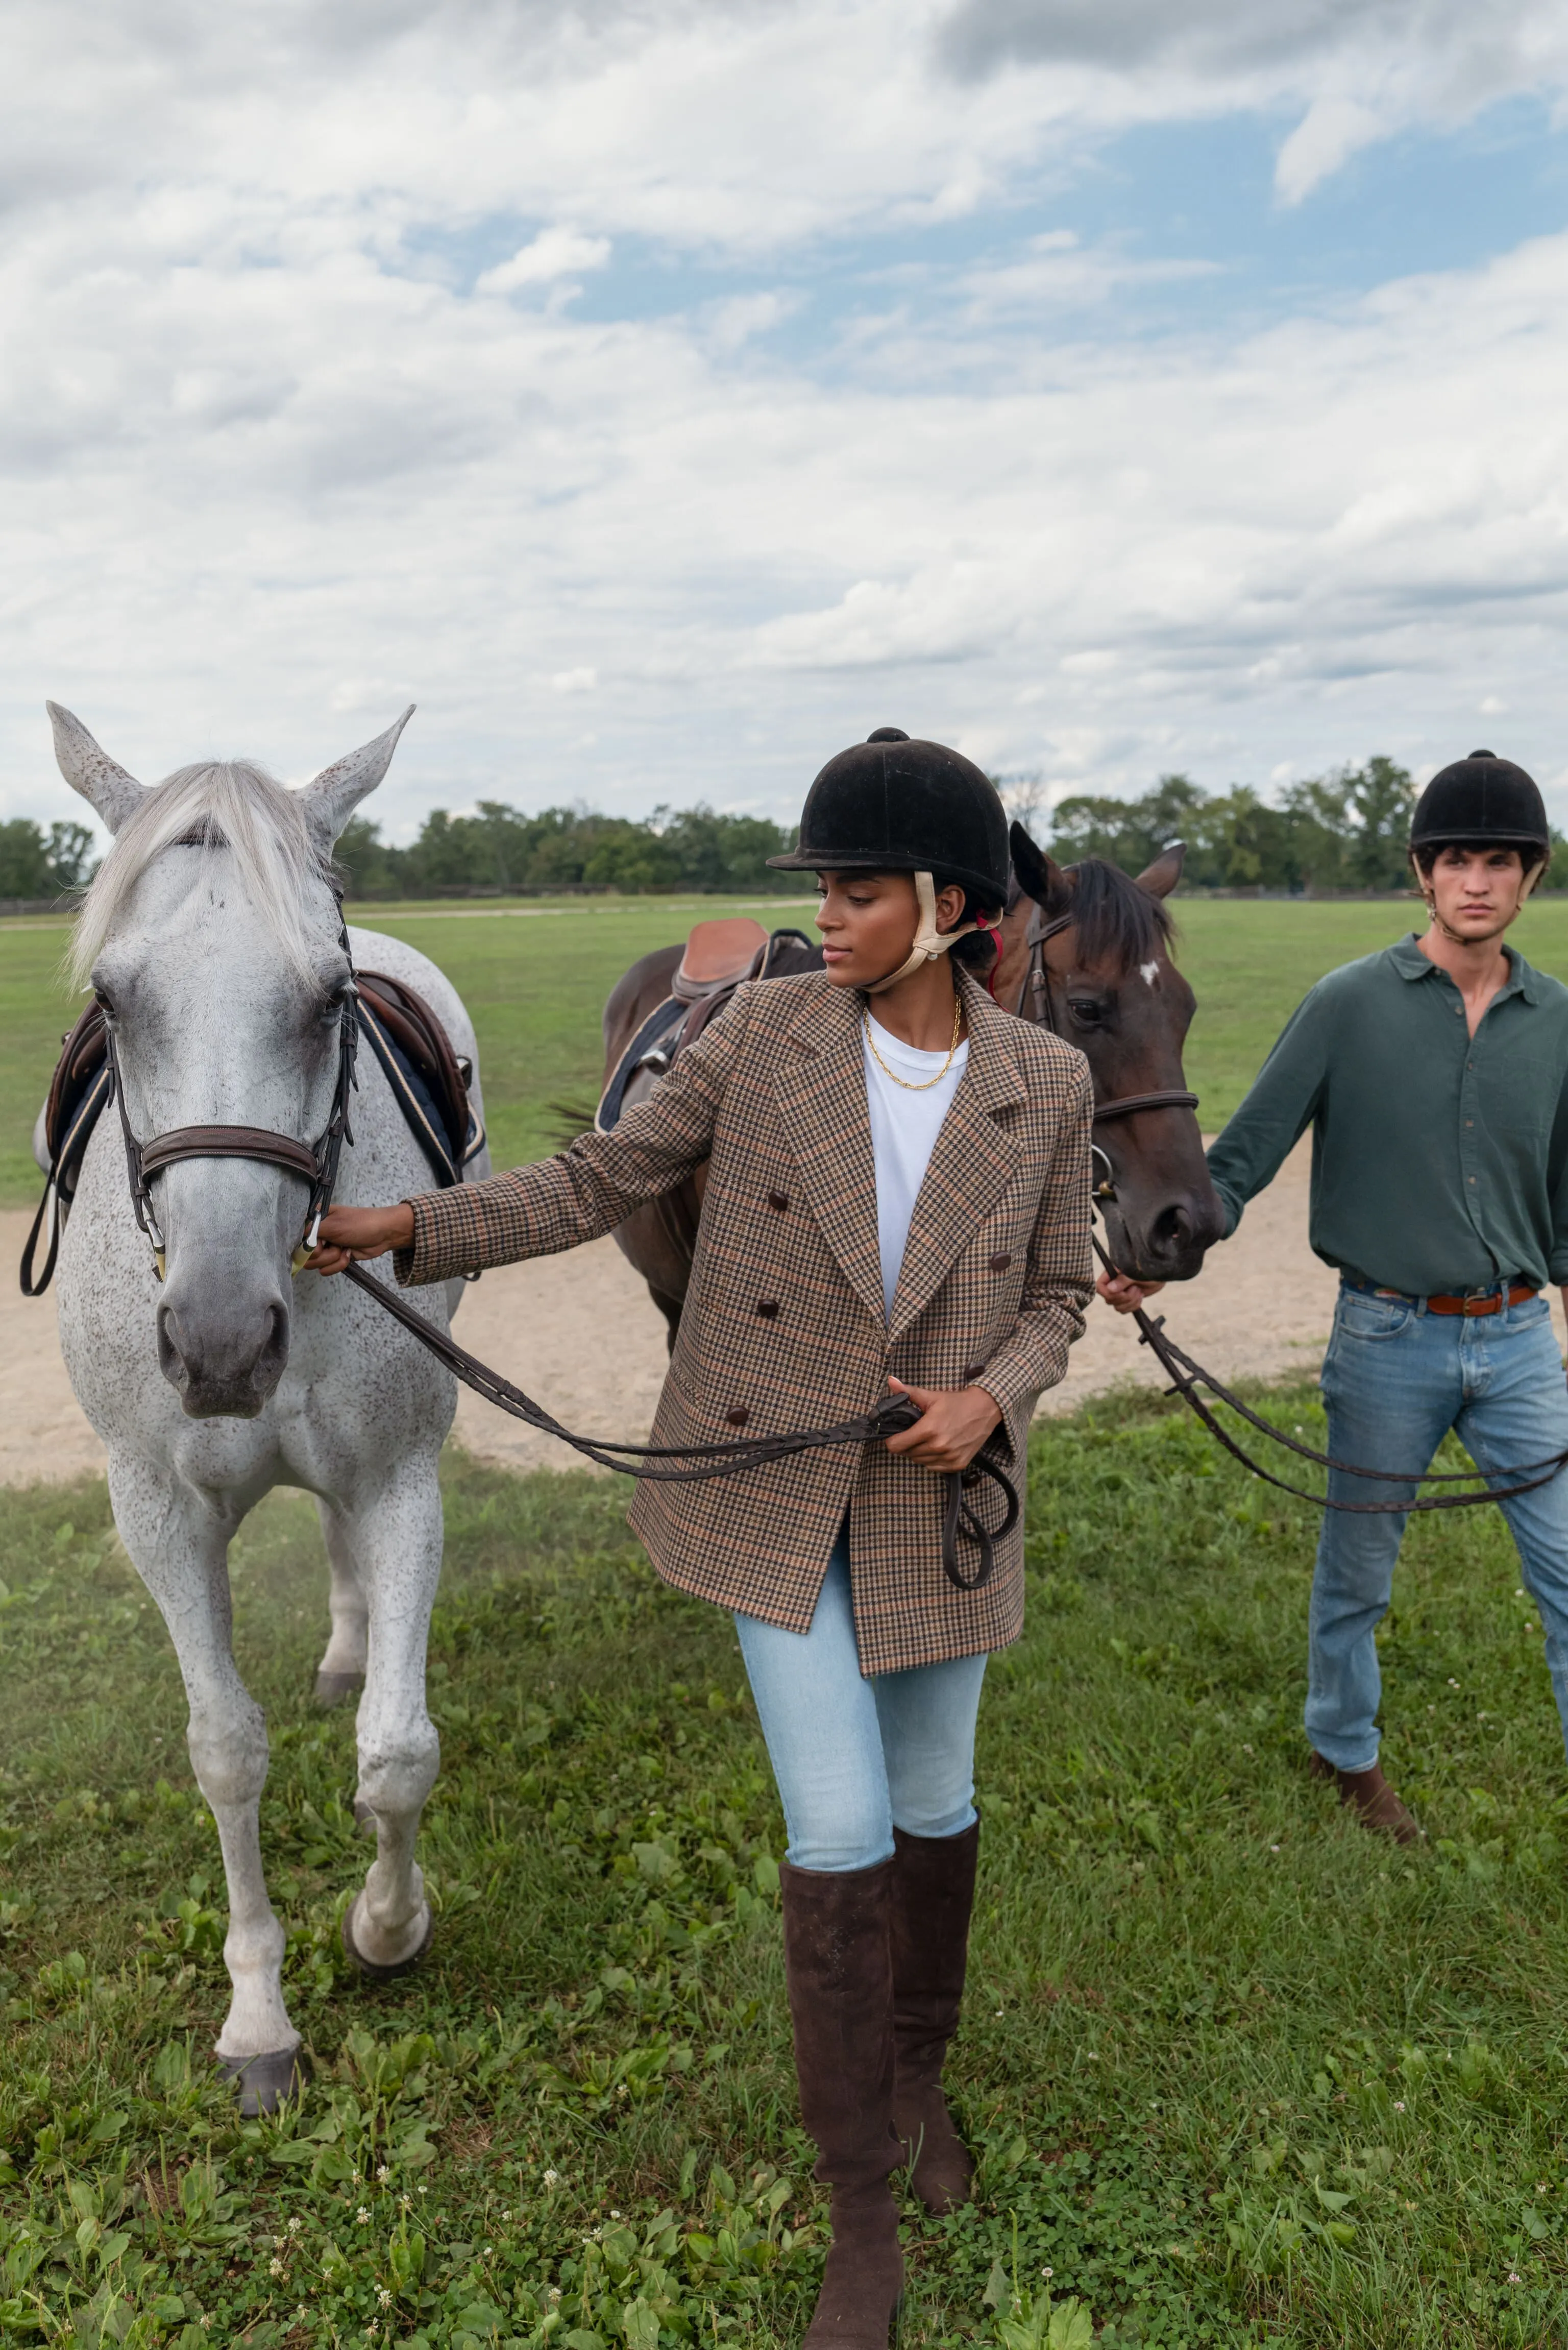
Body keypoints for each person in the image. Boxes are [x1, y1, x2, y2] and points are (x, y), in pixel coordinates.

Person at [308, 728, 1094, 2348]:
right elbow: (601, 1179)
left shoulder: (1047, 1082)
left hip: (937, 1505)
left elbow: (1062, 1294)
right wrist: (407, 1224)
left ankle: (921, 2081)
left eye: (861, 892)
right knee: (841, 1824)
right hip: (761, 1487)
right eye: (823, 889)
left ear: (949, 904)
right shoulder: (759, 1033)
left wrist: (990, 1398)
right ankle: (861, 2198)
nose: (833, 916)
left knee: (938, 1808)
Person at [1101, 751, 1568, 1843]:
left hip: (1517, 1343)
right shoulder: (1347, 1001)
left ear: (1529, 881)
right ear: (1422, 873)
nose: (1478, 882)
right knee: (1357, 1573)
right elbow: (1250, 1152)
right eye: (1458, 860)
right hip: (1389, 1336)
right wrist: (1157, 1256)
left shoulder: (1557, 1018)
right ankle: (1343, 1752)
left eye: (1502, 863)